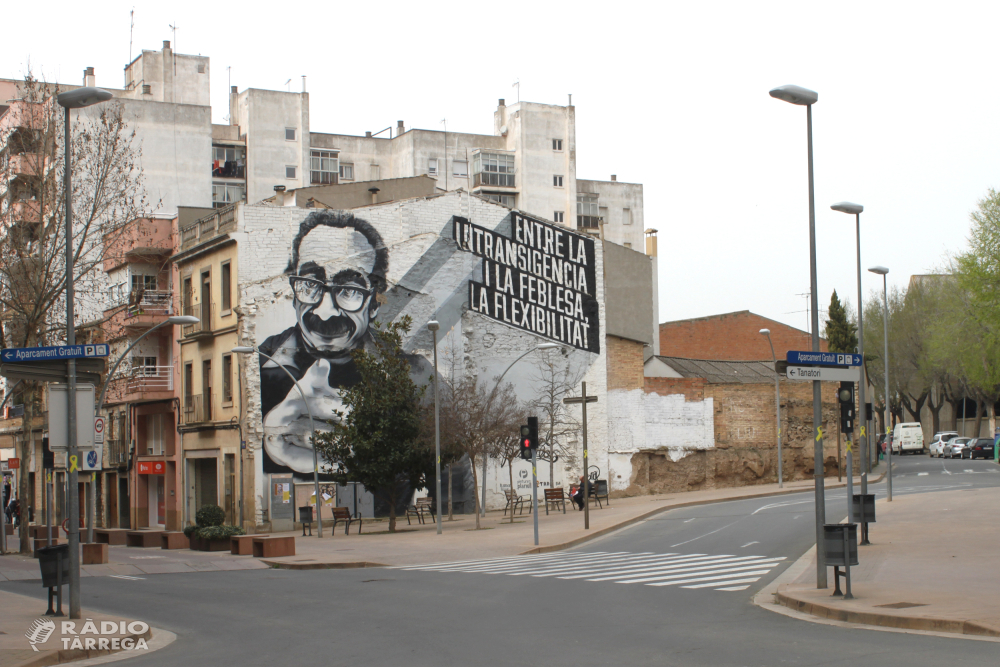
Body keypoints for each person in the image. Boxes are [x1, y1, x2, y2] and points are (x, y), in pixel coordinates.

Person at [259, 210, 390, 475]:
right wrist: (274, 439)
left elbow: (452, 478)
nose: (325, 310)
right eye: (310, 285)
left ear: (374, 302)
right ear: (294, 295)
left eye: (349, 290)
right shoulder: (260, 363)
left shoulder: (413, 376)